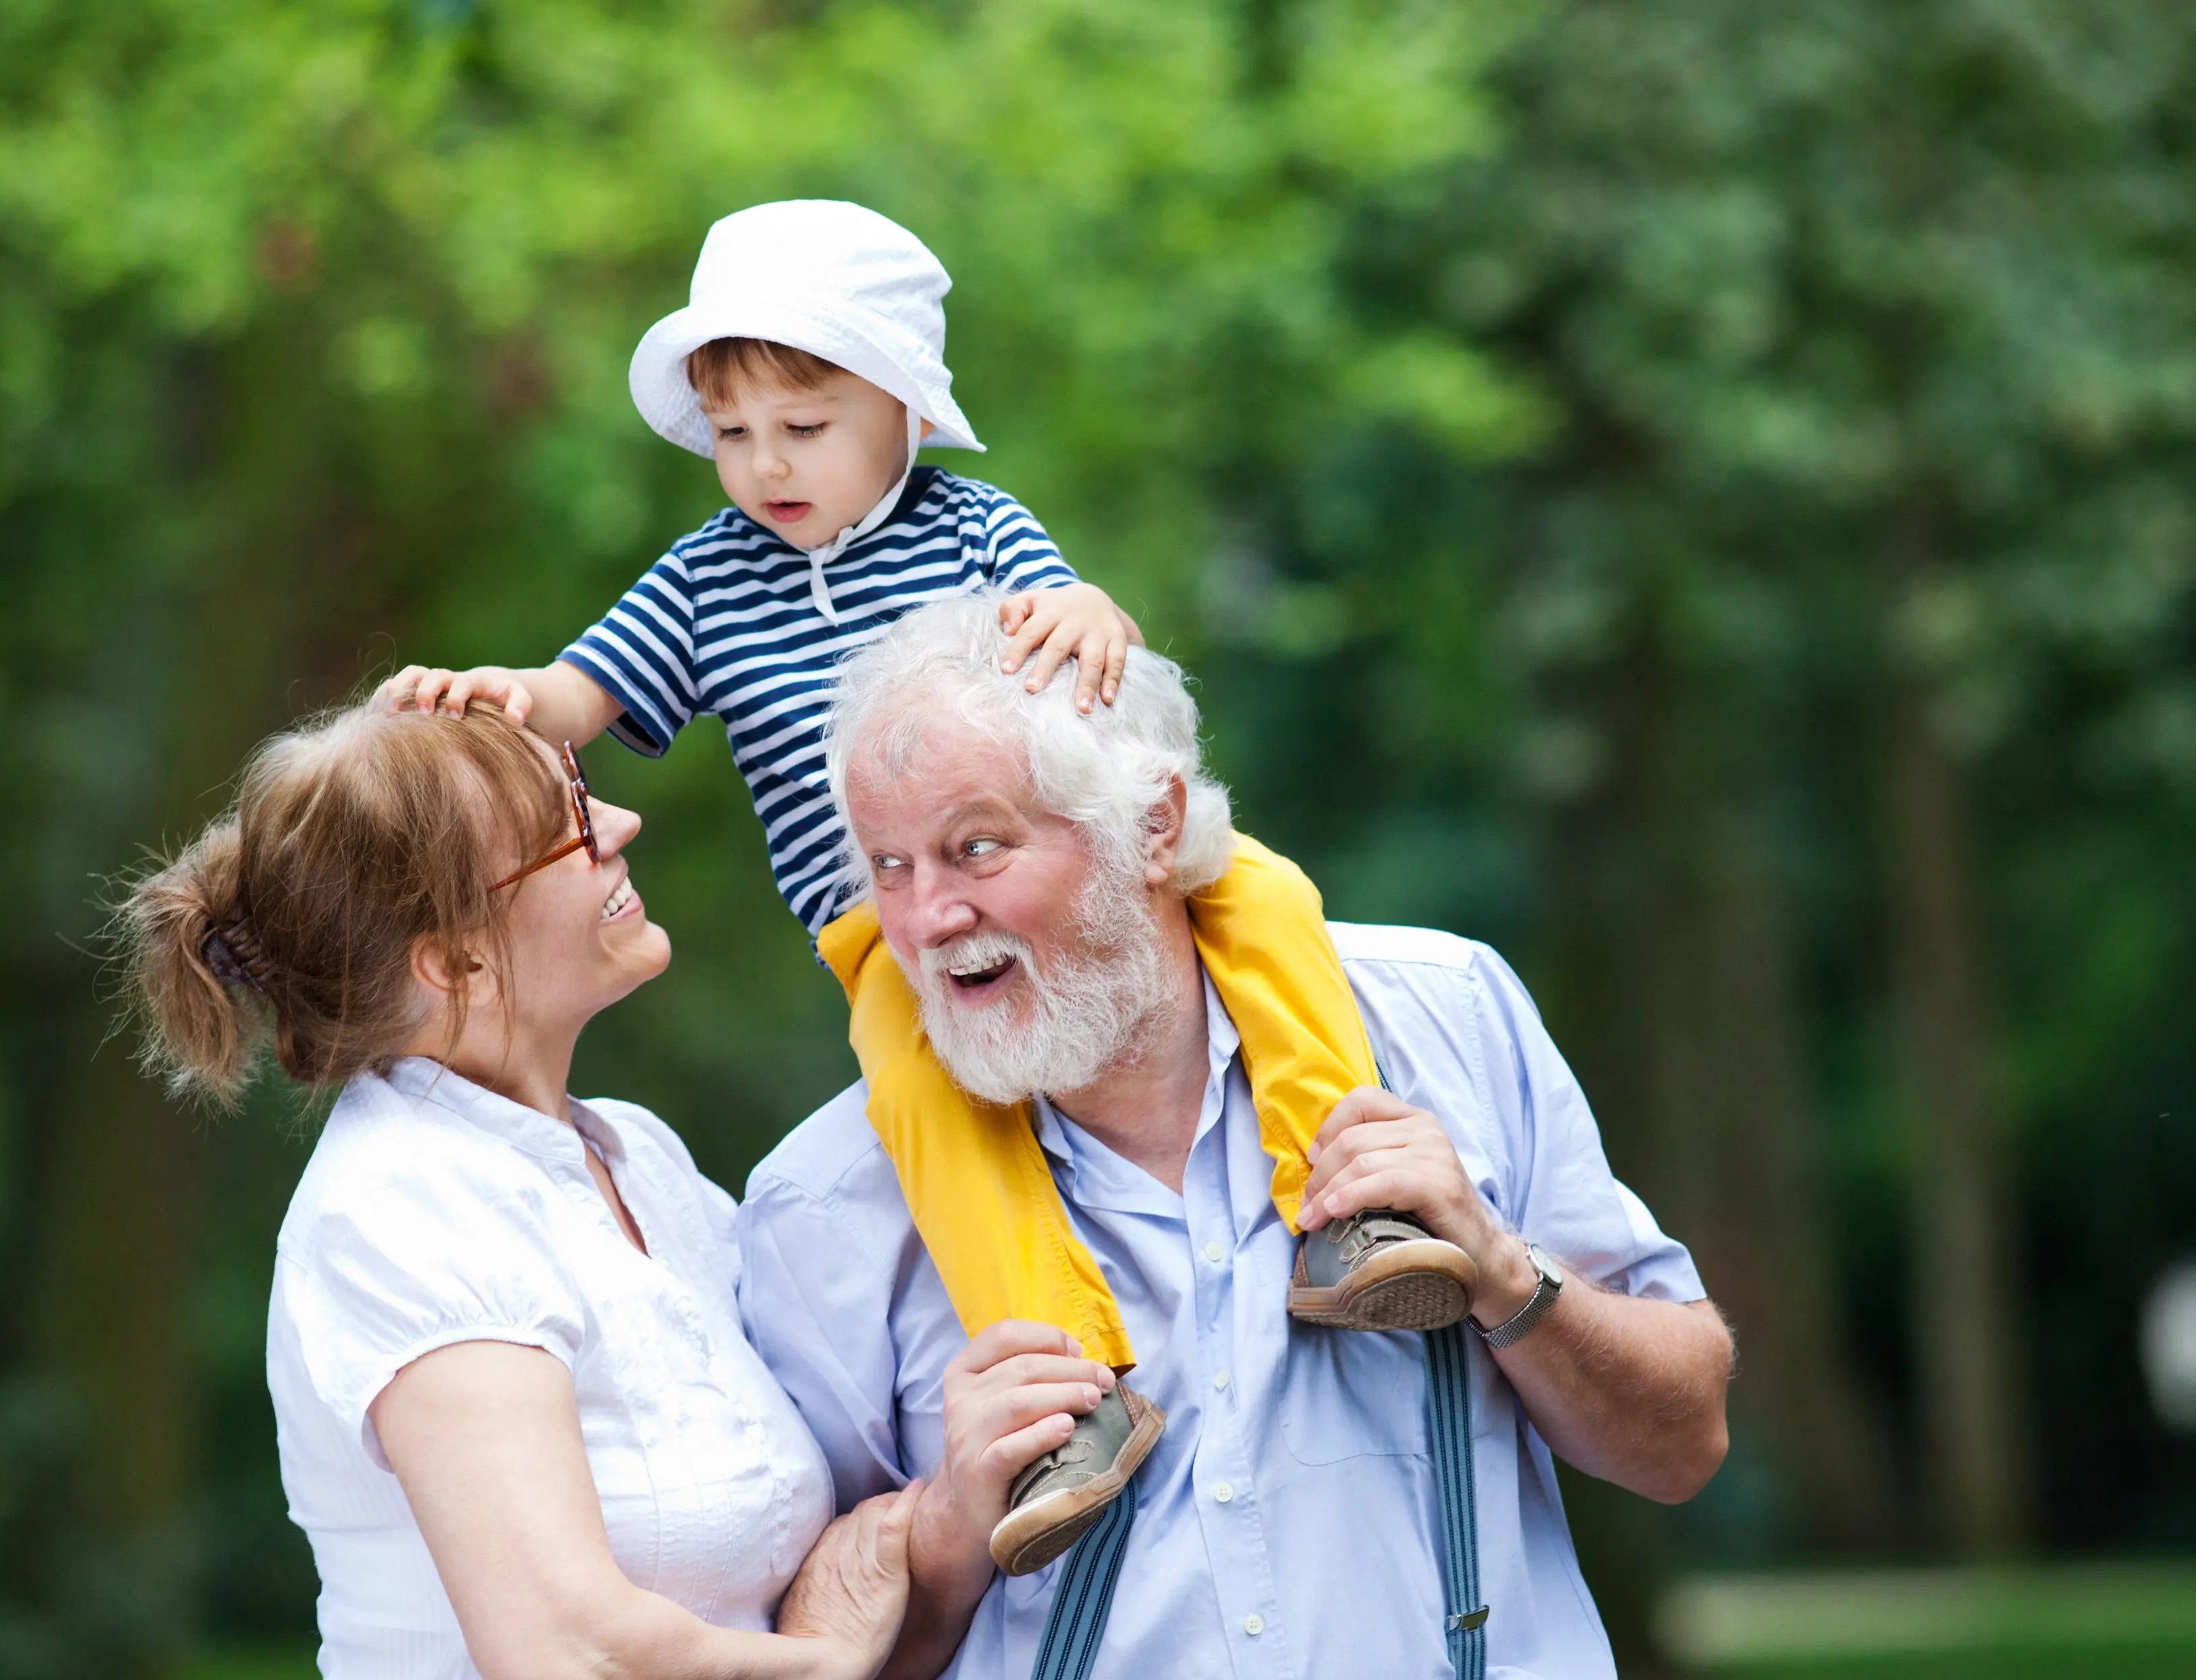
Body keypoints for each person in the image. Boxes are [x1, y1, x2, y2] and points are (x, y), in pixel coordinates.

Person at [734, 593, 1736, 1680]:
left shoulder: (1445, 1021)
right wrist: (943, 1525)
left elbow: (1682, 1442)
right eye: (888, 866)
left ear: (1153, 829)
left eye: (977, 848)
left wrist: (1506, 1279)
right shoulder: (832, 1195)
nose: (923, 919)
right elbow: (820, 1674)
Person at [387, 199, 1474, 1579]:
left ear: (902, 409)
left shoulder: (975, 528)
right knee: (929, 1101)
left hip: (1053, 856)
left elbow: (1070, 614)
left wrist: (1090, 612)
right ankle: (1067, 1381)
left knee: (1266, 903)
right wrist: (505, 696)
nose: (764, 465)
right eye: (733, 435)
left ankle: (1344, 1207)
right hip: (877, 927)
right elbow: (578, 693)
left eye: (804, 425)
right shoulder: (706, 580)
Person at [118, 699, 914, 1680]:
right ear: (446, 957)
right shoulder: (400, 1207)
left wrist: (955, 1496)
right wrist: (826, 1667)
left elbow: (812, 1554)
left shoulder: (642, 1167)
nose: (620, 823)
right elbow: (573, 1653)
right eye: (562, 826)